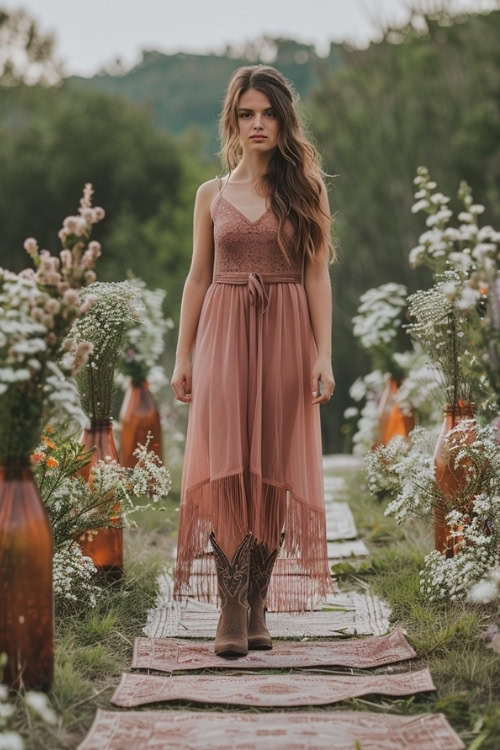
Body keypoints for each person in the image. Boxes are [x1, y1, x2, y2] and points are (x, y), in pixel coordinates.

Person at [171, 64, 338, 658]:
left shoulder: (305, 190)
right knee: (226, 466)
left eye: (268, 113)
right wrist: (183, 352)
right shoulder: (210, 195)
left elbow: (316, 276)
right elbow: (196, 278)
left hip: (286, 330)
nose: (258, 124)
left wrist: (324, 355)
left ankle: (258, 600)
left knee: (271, 466)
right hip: (223, 327)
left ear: (284, 120)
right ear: (233, 122)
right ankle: (230, 606)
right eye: (247, 114)